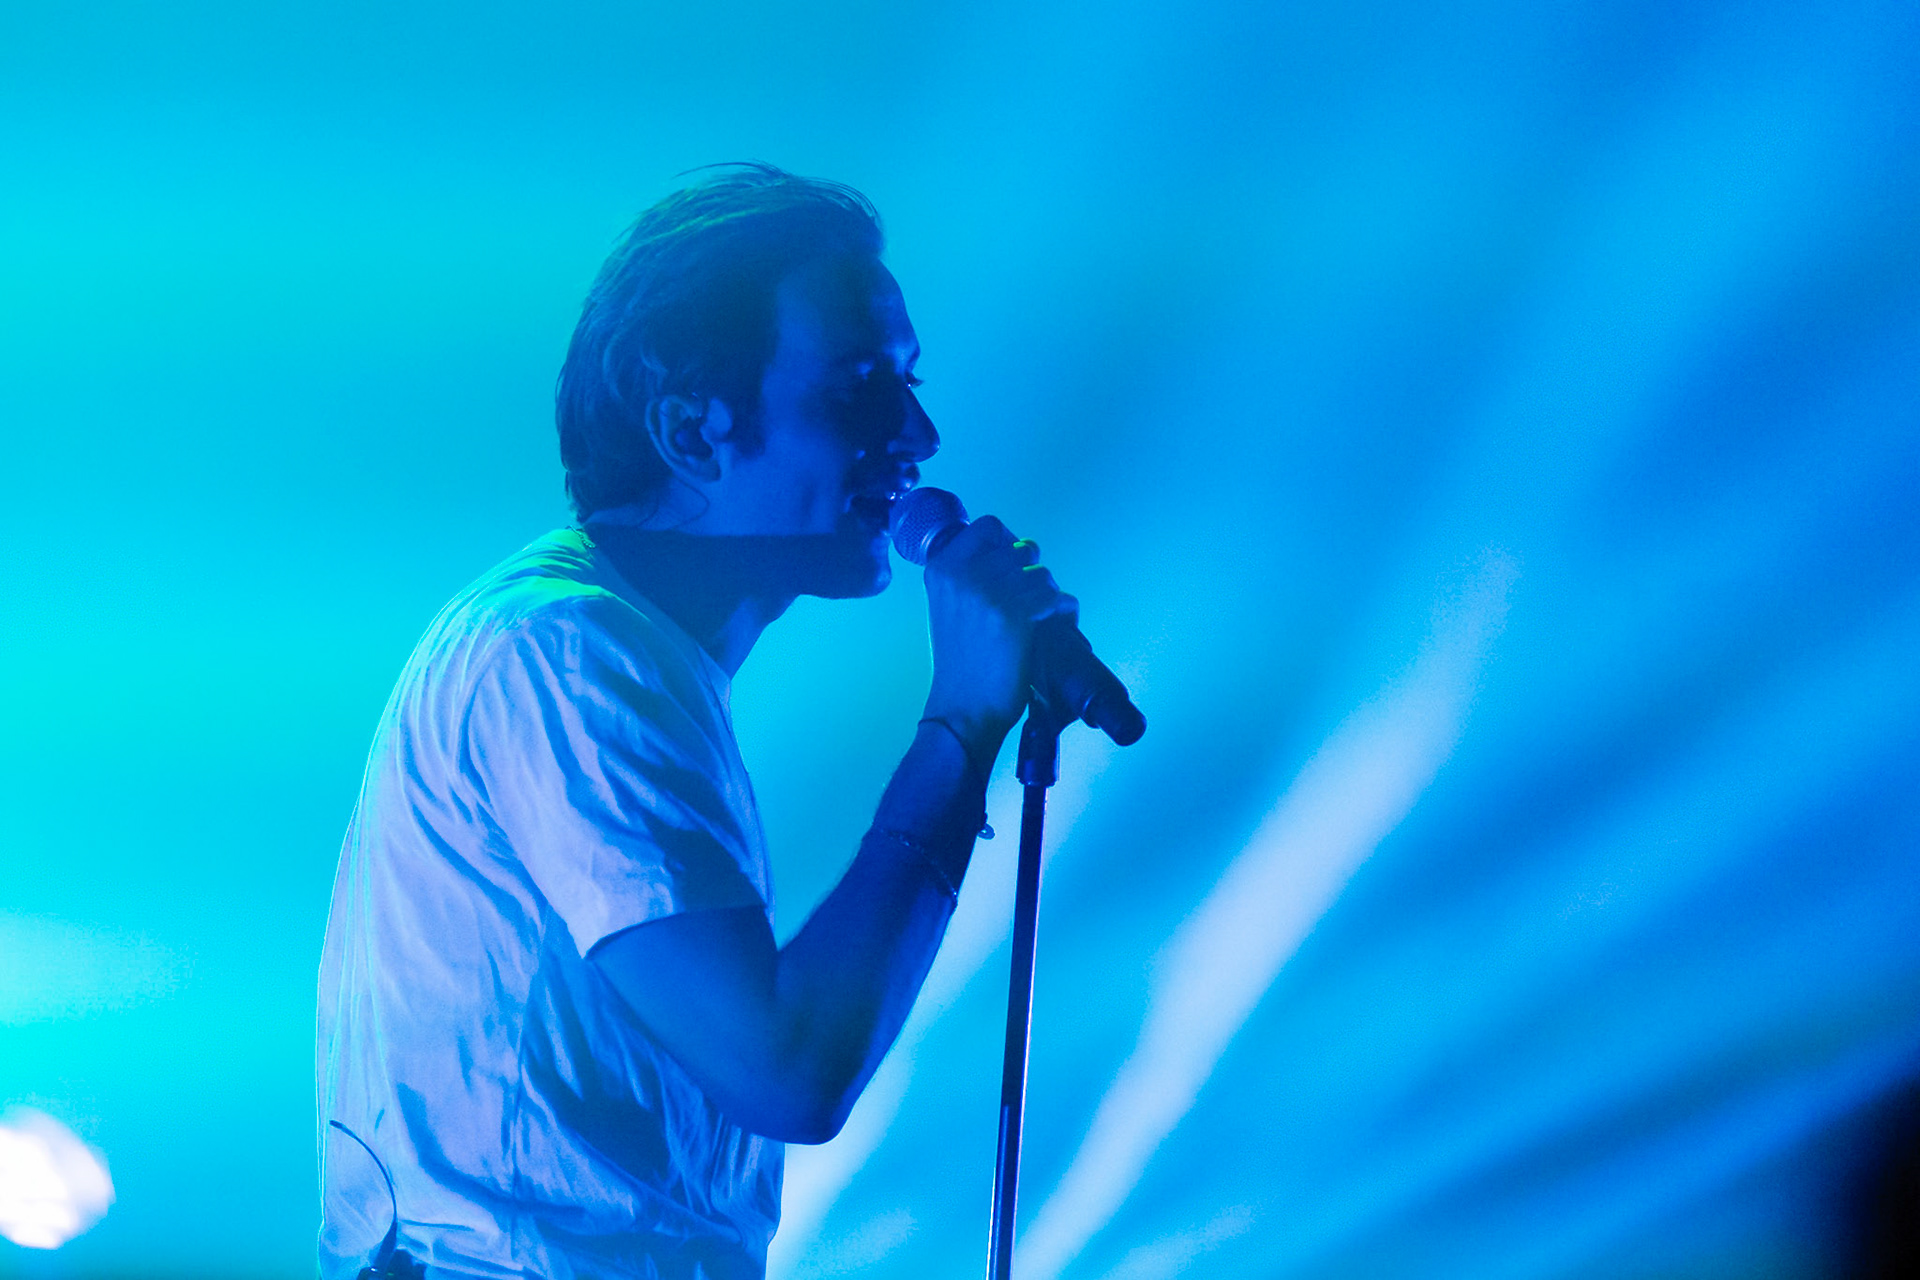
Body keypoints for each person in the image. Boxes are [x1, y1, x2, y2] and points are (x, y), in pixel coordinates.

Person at [316, 165, 1077, 1279]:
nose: (918, 433)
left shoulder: (624, 660)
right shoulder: (562, 654)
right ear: (689, 427)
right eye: (861, 387)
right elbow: (789, 1068)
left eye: (910, 381)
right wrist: (961, 721)